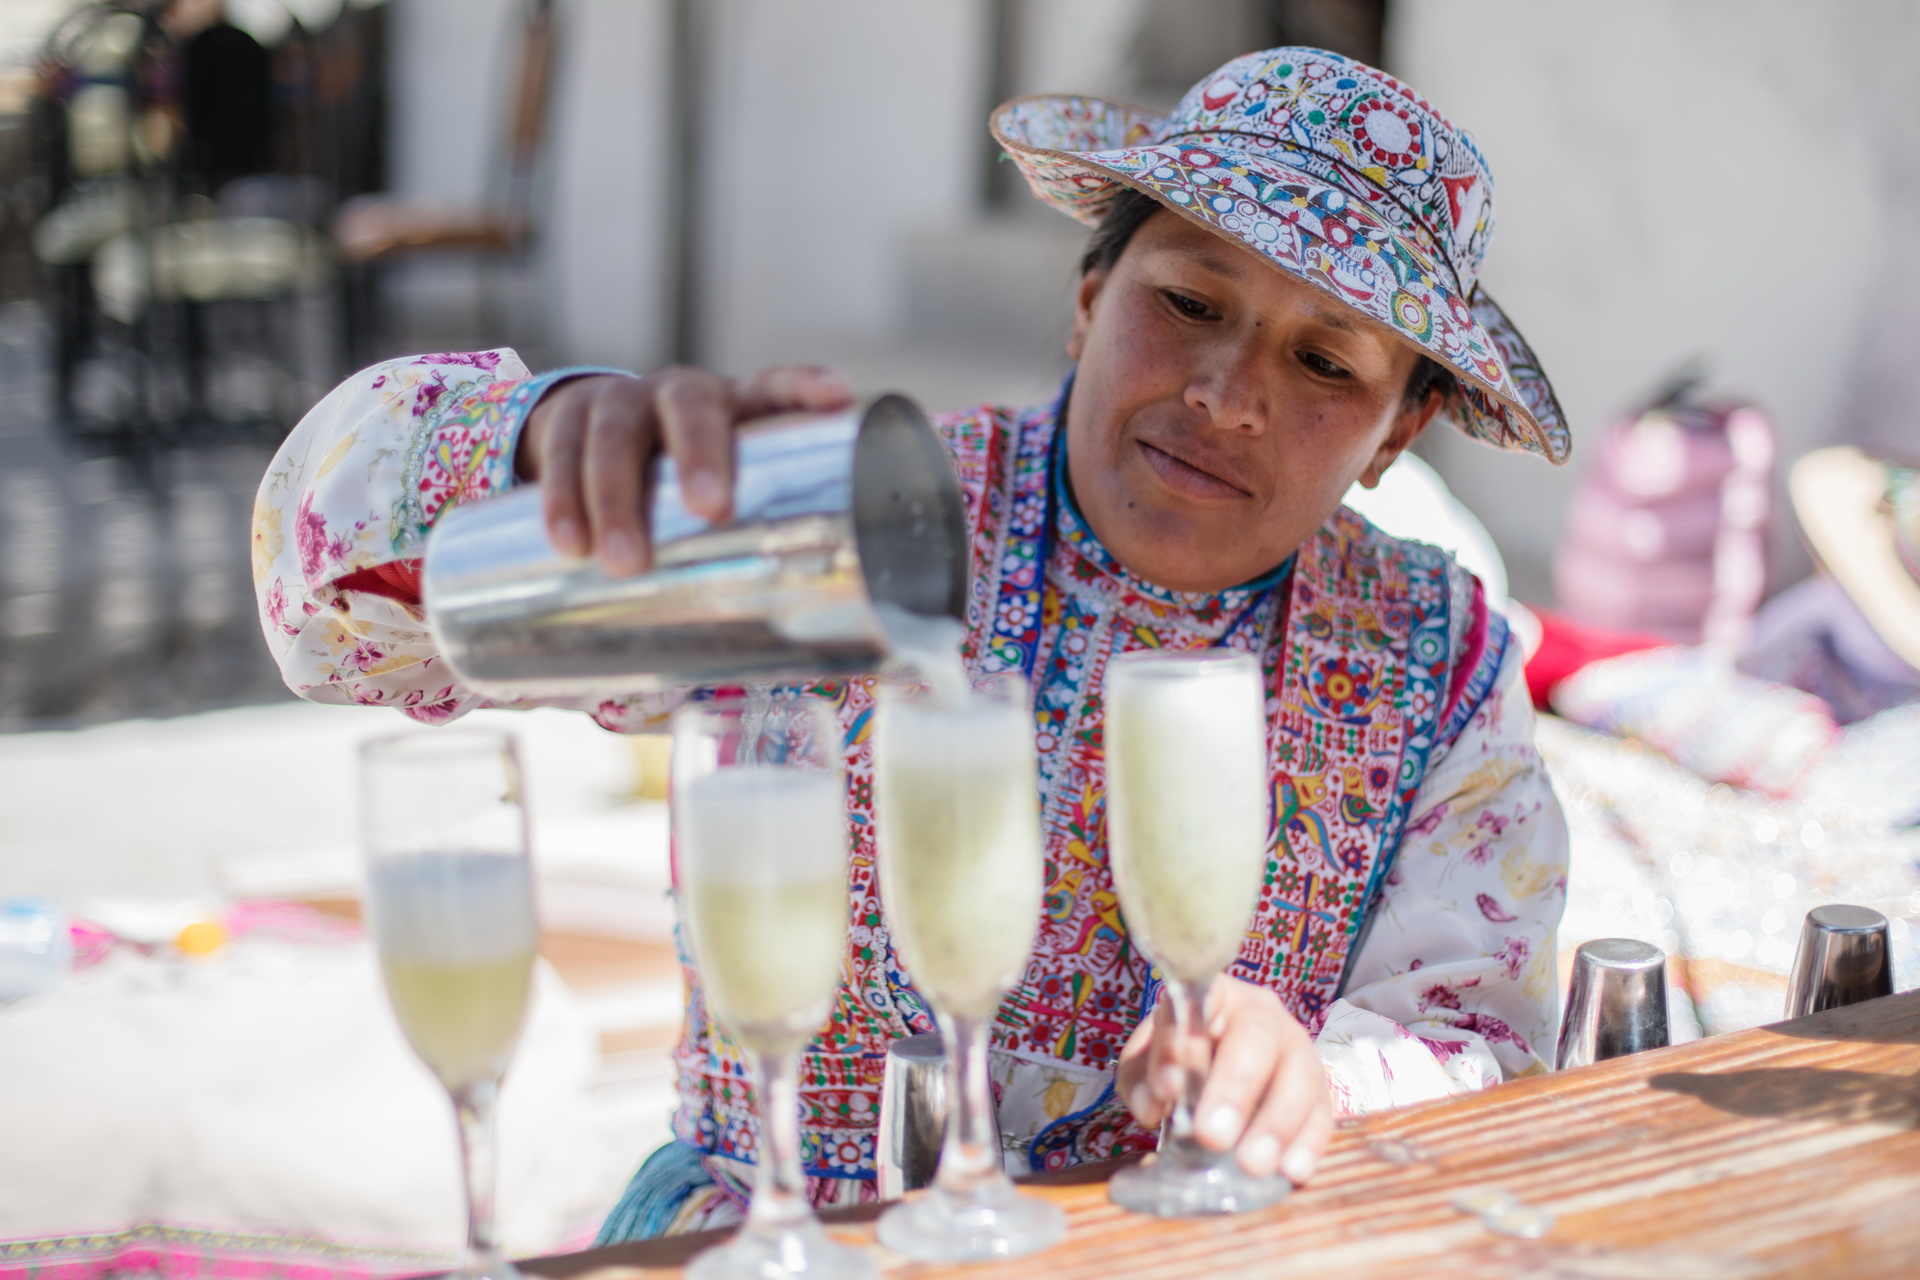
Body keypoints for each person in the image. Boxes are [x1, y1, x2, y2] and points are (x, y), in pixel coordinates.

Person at [253, 47, 1570, 1237]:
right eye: (1190, 302)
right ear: (1090, 298)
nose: (1228, 397)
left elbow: (1477, 1032)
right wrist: (546, 447)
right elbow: (330, 625)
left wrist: (1320, 1079)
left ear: (1397, 435)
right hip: (771, 1249)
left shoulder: (1433, 658)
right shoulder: (853, 528)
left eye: (1327, 364)